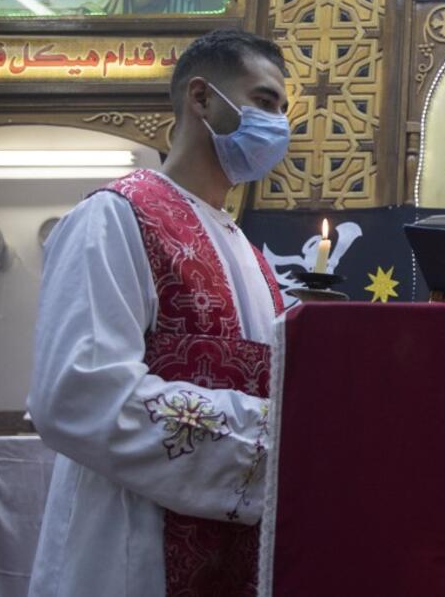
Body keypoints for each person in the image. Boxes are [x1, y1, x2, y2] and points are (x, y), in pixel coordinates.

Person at [28, 29, 292, 597]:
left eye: (282, 110)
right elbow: (79, 393)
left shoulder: (245, 250)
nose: (279, 125)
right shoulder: (115, 217)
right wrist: (270, 438)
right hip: (132, 545)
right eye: (265, 102)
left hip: (235, 546)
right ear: (201, 98)